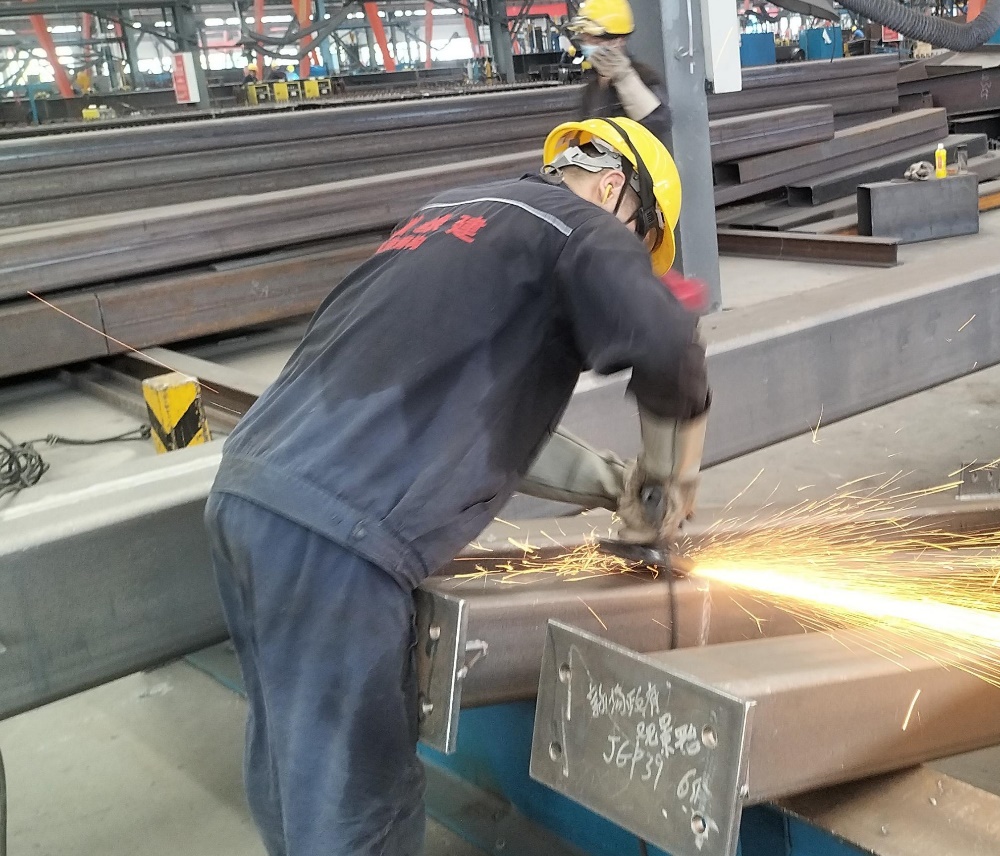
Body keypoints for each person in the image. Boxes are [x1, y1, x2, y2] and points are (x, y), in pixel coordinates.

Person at [203, 116, 709, 856]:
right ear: (614, 189)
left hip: (249, 495)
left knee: (294, 766)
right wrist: (668, 486)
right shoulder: (580, 228)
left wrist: (615, 486)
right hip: (338, 537)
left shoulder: (447, 215)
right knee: (356, 806)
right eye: (641, 238)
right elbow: (669, 341)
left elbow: (469, 422)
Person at [567, 0, 670, 140]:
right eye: (585, 39)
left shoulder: (645, 76)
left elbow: (658, 123)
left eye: (594, 40)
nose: (587, 45)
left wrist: (625, 79)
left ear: (618, 41)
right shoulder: (593, 84)